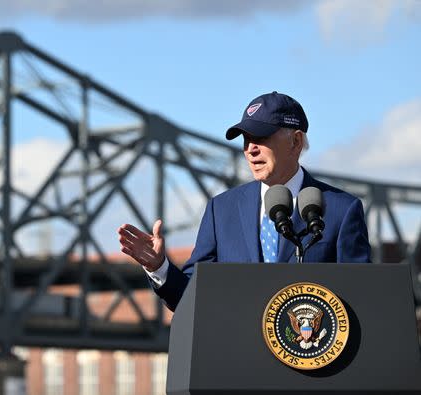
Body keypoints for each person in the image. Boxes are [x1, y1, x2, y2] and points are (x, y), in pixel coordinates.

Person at [117, 91, 371, 311]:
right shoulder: (221, 210)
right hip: (239, 363)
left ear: (295, 141)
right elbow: (191, 296)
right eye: (246, 139)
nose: (250, 149)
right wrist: (159, 267)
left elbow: (361, 298)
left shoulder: (341, 209)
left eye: (261, 138)